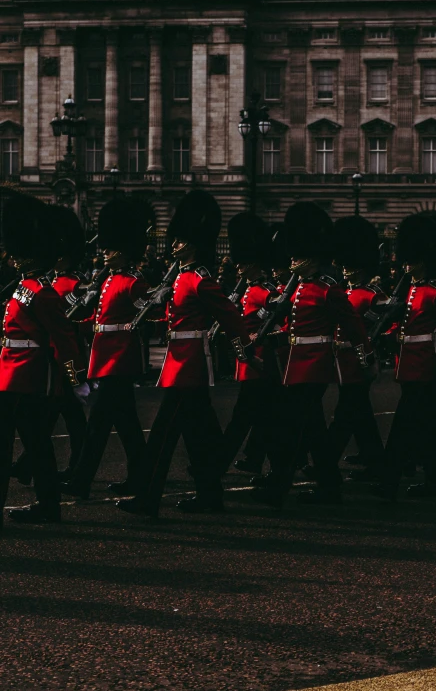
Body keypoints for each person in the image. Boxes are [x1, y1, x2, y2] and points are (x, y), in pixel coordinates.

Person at [117, 189, 255, 518]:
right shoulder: (181, 277)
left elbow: (229, 315)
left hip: (189, 363)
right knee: (199, 434)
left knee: (163, 434)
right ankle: (210, 494)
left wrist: (245, 348)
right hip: (179, 358)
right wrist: (148, 307)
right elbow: (171, 318)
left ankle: (148, 497)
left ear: (191, 243)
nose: (174, 246)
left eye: (179, 241)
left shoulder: (198, 279)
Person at [251, 202, 373, 509]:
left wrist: (365, 355)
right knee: (313, 432)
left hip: (315, 365)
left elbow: (354, 325)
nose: (292, 260)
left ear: (313, 257)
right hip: (293, 364)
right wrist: (268, 335)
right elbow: (292, 326)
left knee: (291, 429)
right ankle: (330, 488)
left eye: (297, 255)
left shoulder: (328, 290)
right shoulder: (297, 288)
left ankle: (277, 486)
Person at [0, 193, 88, 527]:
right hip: (10, 373)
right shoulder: (23, 286)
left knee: (37, 445)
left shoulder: (41, 291)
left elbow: (63, 337)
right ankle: (46, 503)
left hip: (30, 377)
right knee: (26, 444)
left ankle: (48, 504)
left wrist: (73, 377)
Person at [374, 214, 436, 502]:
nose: (406, 264)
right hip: (410, 364)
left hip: (428, 367)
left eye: (412, 259)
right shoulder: (410, 290)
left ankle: (388, 480)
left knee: (404, 425)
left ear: (424, 259)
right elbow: (405, 324)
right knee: (430, 423)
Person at [61, 199, 150, 500]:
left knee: (99, 425)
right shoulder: (109, 280)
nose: (105, 252)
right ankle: (140, 477)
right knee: (126, 426)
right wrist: (74, 324)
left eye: (110, 249)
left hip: (120, 361)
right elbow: (99, 321)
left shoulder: (132, 283)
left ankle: (80, 481)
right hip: (106, 357)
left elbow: (144, 317)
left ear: (122, 251)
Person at [216, 212, 278, 476]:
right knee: (264, 418)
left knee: (241, 419)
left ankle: (216, 466)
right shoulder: (249, 290)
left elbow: (280, 324)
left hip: (260, 362)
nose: (238, 266)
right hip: (248, 362)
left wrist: (257, 337)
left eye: (243, 262)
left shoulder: (265, 292)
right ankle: (261, 462)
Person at [328, 216, 387, 481]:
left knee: (346, 414)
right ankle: (376, 463)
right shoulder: (344, 292)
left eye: (348, 266)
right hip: (341, 359)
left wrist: (369, 358)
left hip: (358, 361)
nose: (344, 269)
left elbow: (378, 330)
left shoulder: (372, 295)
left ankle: (325, 461)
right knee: (358, 414)